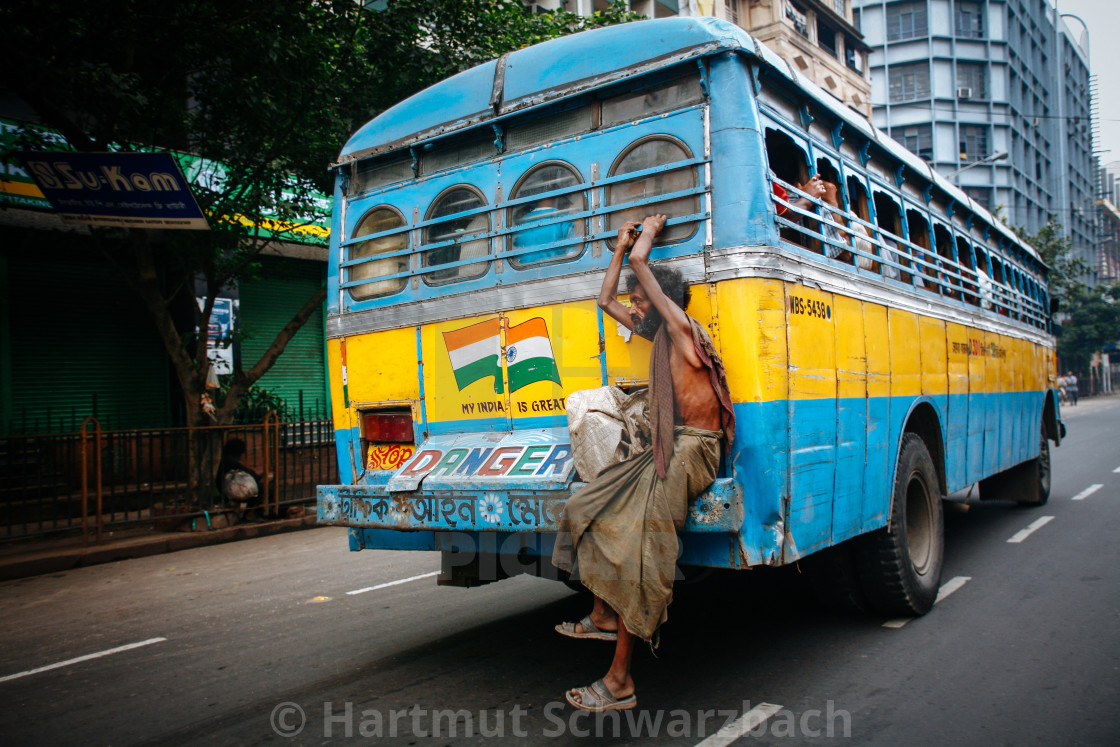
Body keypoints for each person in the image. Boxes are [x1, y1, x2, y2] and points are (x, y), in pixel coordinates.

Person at [552, 214, 735, 713]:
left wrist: (646, 233)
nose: (633, 307)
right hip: (667, 444)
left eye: (642, 299)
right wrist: (617, 249)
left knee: (642, 545)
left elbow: (639, 264)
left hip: (693, 450)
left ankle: (619, 681)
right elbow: (605, 300)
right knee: (587, 502)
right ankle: (603, 613)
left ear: (663, 302)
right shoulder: (659, 334)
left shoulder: (682, 332)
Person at [215, 438, 263, 517]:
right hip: (226, 488)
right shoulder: (229, 460)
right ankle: (250, 514)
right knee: (257, 489)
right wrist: (257, 476)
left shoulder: (224, 458)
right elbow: (245, 470)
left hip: (224, 485)